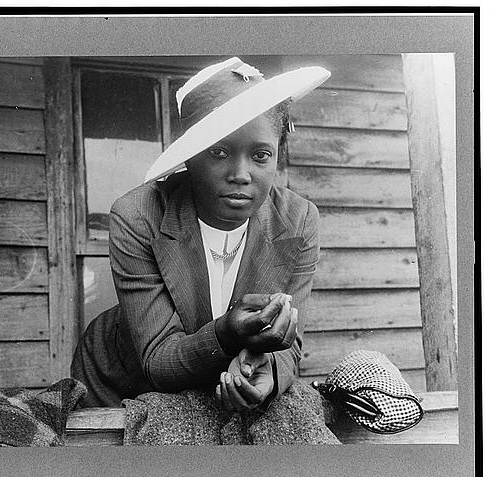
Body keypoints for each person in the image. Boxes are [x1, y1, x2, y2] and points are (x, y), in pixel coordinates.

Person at [72, 57, 330, 411]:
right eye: (219, 152)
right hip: (120, 381)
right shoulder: (138, 216)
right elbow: (158, 359)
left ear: (277, 157)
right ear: (190, 158)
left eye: (260, 155)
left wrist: (269, 373)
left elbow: (289, 341)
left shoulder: (299, 220)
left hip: (221, 382)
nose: (241, 173)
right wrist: (227, 333)